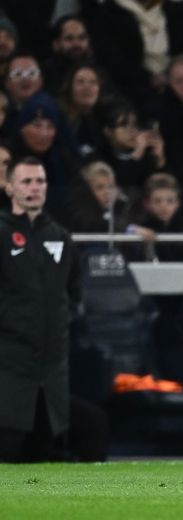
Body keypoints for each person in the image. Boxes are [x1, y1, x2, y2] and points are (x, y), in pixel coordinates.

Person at [0, 157, 80, 461]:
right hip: (8, 366)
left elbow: (73, 293)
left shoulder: (60, 237)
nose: (35, 188)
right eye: (26, 181)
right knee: (7, 452)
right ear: (10, 187)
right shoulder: (1, 233)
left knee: (46, 454)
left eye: (40, 181)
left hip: (51, 369)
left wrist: (60, 324)